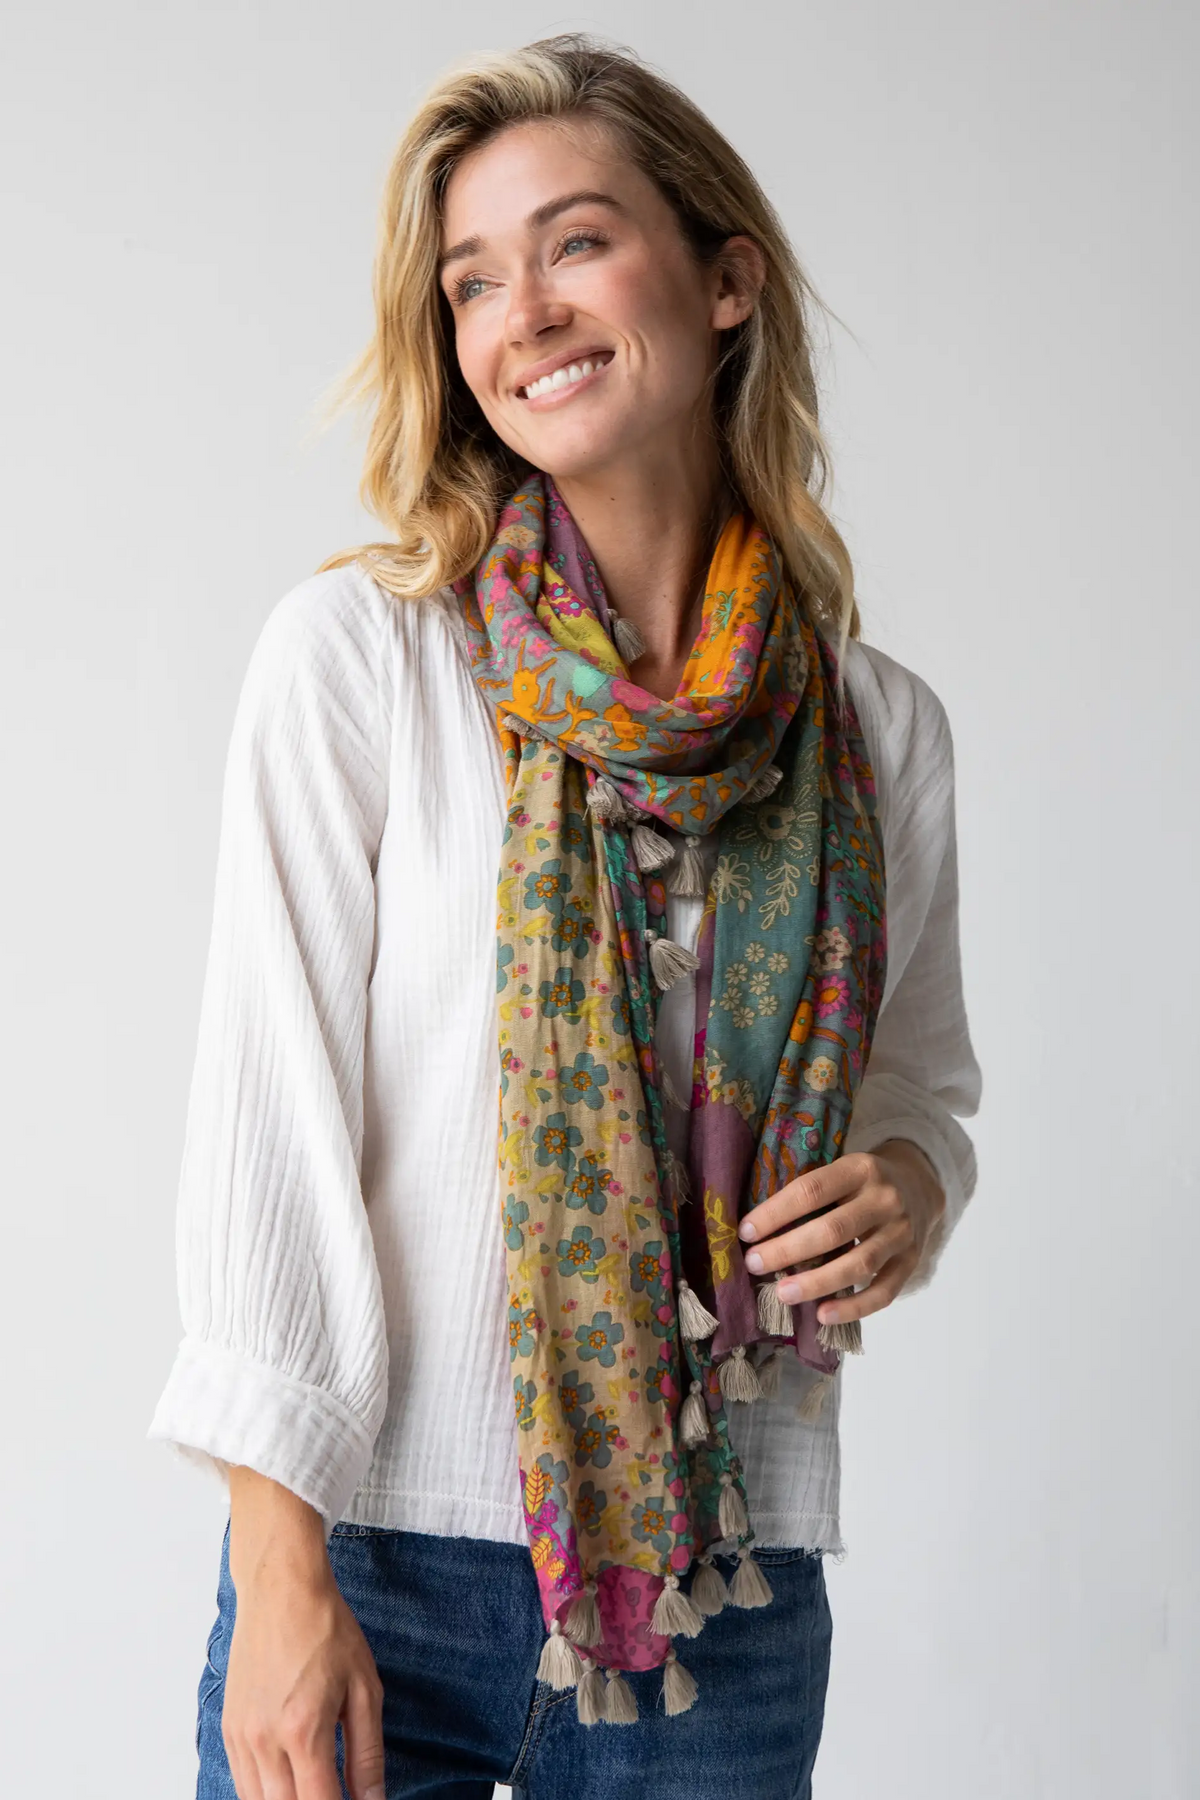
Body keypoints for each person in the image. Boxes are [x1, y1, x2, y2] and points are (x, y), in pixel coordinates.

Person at [150, 31, 981, 1800]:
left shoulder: (874, 728)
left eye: (576, 241)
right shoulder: (366, 663)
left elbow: (920, 1093)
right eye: (472, 280)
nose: (521, 308)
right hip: (376, 1561)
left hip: (724, 1589)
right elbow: (269, 1135)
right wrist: (276, 1571)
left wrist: (909, 1190)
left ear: (725, 278)